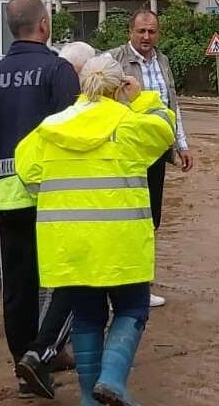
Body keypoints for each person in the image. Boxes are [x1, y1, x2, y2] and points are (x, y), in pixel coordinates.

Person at [15, 55, 176, 406]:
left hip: (70, 245)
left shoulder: (50, 127)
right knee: (132, 308)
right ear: (119, 87)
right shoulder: (128, 123)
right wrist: (143, 98)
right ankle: (113, 380)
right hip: (122, 244)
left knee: (87, 316)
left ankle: (90, 397)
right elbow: (166, 130)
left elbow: (26, 171)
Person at [0, 0, 80, 399]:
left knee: (18, 287)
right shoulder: (58, 69)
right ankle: (41, 354)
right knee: (68, 279)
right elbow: (71, 136)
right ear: (45, 25)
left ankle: (24, 367)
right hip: (50, 196)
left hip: (5, 198)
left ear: (11, 28)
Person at [110, 9, 194, 308]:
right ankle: (115, 289)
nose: (146, 37)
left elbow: (172, 107)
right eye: (141, 31)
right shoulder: (114, 61)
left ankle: (140, 288)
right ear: (130, 32)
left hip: (156, 154)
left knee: (150, 221)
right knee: (124, 221)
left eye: (152, 32)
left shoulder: (163, 61)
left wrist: (181, 144)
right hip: (125, 155)